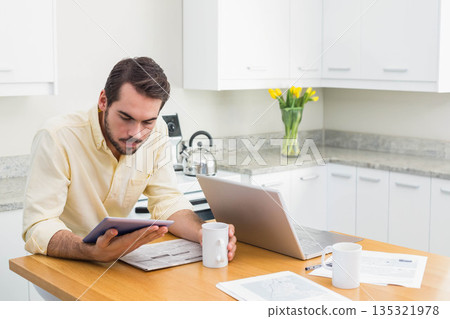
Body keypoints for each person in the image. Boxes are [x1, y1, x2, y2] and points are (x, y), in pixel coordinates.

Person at [22, 57, 237, 263]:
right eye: (126, 118)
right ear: (103, 100)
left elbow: (167, 200)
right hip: (62, 263)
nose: (136, 133)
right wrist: (90, 251)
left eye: (148, 122)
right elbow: (39, 225)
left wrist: (202, 232)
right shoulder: (57, 137)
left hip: (116, 262)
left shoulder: (158, 132)